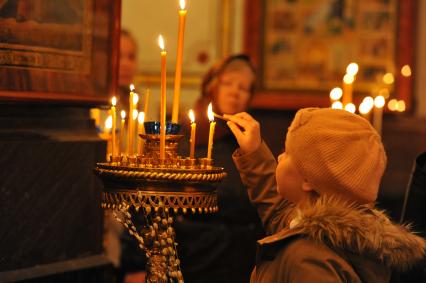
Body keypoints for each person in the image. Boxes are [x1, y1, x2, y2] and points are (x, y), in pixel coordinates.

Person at [224, 108, 426, 282]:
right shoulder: (329, 235)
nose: (280, 156)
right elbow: (279, 212)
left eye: (287, 152)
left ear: (308, 181)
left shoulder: (308, 260)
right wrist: (254, 152)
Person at [168, 54, 264, 283]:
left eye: (243, 87)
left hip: (240, 261)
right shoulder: (187, 134)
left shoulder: (250, 139)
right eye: (228, 83)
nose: (235, 92)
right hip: (192, 256)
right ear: (212, 86)